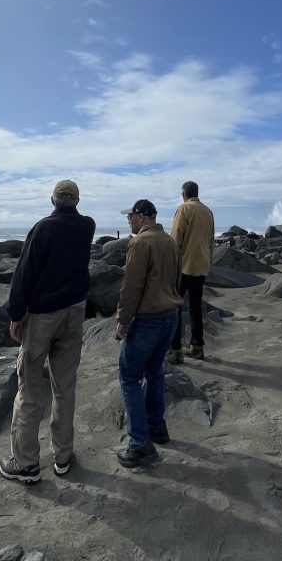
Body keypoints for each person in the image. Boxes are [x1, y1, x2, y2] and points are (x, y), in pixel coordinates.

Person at [0, 180, 96, 484]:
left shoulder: (43, 228)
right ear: (77, 201)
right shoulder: (88, 226)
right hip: (74, 312)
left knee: (29, 387)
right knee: (64, 387)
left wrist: (15, 315)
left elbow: (24, 273)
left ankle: (26, 463)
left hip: (44, 316)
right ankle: (63, 456)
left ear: (53, 199)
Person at [116, 198, 182, 467]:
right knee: (155, 372)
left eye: (130, 216)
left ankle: (140, 444)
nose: (129, 221)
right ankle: (157, 429)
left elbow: (131, 286)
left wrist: (123, 320)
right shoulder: (169, 241)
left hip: (147, 319)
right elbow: (177, 278)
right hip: (170, 316)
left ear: (142, 217)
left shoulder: (140, 243)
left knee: (129, 378)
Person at [168, 181, 215, 363]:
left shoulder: (184, 209)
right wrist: (208, 262)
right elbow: (211, 240)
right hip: (201, 266)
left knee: (175, 307)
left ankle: (176, 350)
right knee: (196, 307)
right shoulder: (207, 211)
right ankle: (197, 347)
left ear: (183, 194)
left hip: (183, 267)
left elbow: (175, 239)